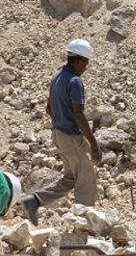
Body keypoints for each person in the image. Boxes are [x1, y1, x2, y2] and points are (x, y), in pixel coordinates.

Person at [22, 39, 102, 226]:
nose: (86, 68)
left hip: (58, 135)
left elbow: (49, 109)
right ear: (79, 61)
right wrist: (94, 144)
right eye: (86, 64)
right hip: (72, 137)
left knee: (71, 178)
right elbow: (79, 114)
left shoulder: (57, 77)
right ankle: (84, 226)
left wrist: (61, 123)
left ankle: (35, 201)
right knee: (86, 182)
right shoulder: (75, 81)